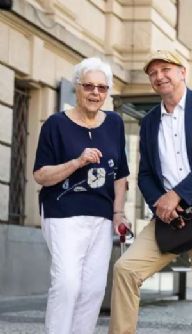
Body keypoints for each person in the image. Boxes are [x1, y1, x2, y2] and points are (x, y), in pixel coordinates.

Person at [109, 50, 192, 334]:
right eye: (153, 73)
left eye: (165, 69)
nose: (159, 76)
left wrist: (178, 195)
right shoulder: (149, 122)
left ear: (182, 72)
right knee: (126, 270)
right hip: (170, 220)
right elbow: (145, 174)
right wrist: (161, 204)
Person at [33, 57, 130, 334]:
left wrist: (118, 214)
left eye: (102, 88)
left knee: (93, 289)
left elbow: (121, 175)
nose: (95, 93)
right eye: (89, 86)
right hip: (63, 213)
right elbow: (40, 174)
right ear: (77, 88)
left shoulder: (114, 123)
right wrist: (77, 162)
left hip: (101, 216)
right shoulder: (55, 124)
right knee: (67, 284)